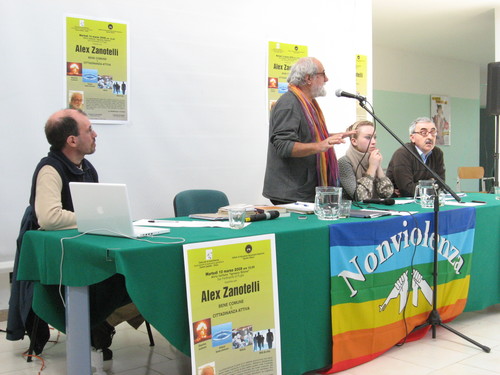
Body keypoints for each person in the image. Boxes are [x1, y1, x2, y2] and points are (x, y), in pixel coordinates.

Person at [7, 109, 143, 360]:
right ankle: (95, 322)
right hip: (58, 257)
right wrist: (99, 219)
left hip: (82, 248)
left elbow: (93, 210)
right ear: (72, 140)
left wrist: (106, 219)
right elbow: (49, 218)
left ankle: (99, 321)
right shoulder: (50, 169)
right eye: (89, 129)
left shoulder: (86, 167)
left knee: (138, 273)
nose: (95, 134)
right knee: (122, 278)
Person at [263, 57, 355, 204]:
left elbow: (305, 137)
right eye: (323, 74)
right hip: (291, 194)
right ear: (308, 78)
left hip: (302, 191)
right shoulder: (289, 103)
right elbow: (283, 145)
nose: (327, 79)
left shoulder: (307, 103)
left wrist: (329, 136)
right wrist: (320, 145)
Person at [386, 117, 445, 197]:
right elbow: (407, 190)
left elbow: (441, 184)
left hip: (425, 201)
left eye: (433, 132)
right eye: (424, 133)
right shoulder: (402, 154)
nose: (430, 137)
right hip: (401, 204)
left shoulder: (437, 153)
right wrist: (431, 182)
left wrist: (420, 185)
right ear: (412, 137)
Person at [338, 120, 393, 201]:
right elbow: (360, 198)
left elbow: (387, 194)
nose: (374, 142)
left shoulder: (373, 159)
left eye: (375, 137)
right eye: (368, 137)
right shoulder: (344, 162)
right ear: (354, 141)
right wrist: (372, 167)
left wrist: (378, 167)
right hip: (353, 211)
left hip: (376, 210)